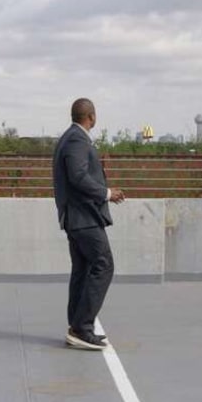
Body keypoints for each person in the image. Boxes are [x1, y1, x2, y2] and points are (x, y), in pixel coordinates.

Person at [52, 97, 126, 350]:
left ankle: (77, 327)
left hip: (76, 217)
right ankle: (82, 328)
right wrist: (106, 193)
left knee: (82, 269)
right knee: (104, 264)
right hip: (83, 217)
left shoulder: (68, 137)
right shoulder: (77, 139)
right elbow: (78, 176)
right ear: (91, 116)